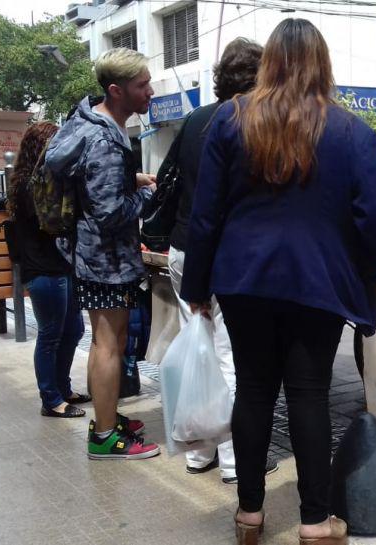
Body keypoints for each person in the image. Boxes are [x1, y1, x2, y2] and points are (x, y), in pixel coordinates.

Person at [180, 19, 376, 545]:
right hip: (318, 280)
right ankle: (315, 521)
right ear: (323, 63)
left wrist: (197, 288)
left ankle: (249, 513)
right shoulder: (351, 130)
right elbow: (374, 217)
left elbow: (205, 214)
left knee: (253, 389)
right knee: (309, 393)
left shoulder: (231, 120)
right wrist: (366, 274)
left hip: (243, 277)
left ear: (269, 61)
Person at [166, 37, 278, 483]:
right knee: (231, 357)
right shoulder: (251, 122)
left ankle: (199, 453)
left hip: (183, 249)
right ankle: (235, 461)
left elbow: (172, 183)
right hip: (227, 257)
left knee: (199, 350)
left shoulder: (194, 120)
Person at [45, 47, 160, 460]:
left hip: (91, 254)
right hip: (106, 259)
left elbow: (94, 185)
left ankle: (106, 419)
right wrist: (150, 195)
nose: (150, 91)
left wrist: (132, 178)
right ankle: (105, 436)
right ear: (116, 90)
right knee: (109, 344)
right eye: (142, 85)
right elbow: (110, 213)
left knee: (105, 341)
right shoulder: (105, 140)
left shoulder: (87, 122)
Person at [6, 121, 90, 418]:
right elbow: (55, 223)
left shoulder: (43, 180)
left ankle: (62, 388)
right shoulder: (32, 186)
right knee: (51, 335)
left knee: (74, 329)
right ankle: (51, 399)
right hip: (44, 269)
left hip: (60, 267)